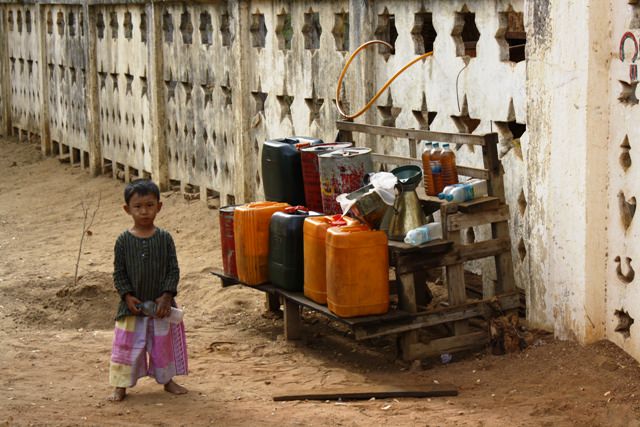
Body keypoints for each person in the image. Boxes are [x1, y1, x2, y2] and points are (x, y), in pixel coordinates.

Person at [108, 179, 188, 402]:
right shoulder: (123, 241)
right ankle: (120, 385)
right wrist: (126, 296)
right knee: (126, 348)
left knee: (163, 347)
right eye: (138, 206)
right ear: (127, 209)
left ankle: (167, 380)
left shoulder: (164, 239)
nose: (144, 211)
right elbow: (119, 273)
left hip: (160, 307)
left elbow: (173, 270)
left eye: (150, 205)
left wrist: (166, 296)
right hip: (131, 308)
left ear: (159, 207)